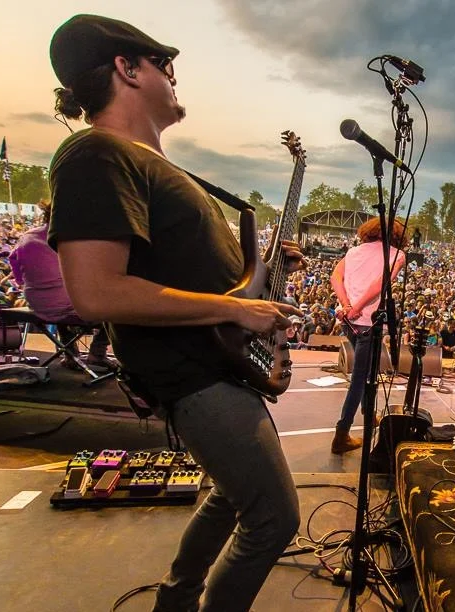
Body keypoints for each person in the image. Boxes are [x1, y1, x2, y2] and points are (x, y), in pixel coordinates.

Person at [46, 15, 304, 611]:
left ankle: (178, 597)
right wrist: (236, 313)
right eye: (165, 66)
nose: (173, 79)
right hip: (195, 371)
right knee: (272, 518)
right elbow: (97, 292)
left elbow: (195, 268)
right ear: (126, 69)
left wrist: (262, 271)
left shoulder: (148, 162)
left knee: (228, 494)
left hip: (214, 363)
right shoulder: (96, 153)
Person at [330, 217, 406, 454]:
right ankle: (341, 434)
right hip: (367, 323)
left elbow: (335, 277)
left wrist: (346, 305)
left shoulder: (353, 252)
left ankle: (369, 413)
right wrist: (359, 306)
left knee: (366, 373)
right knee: (360, 378)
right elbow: (381, 283)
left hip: (349, 321)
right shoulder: (397, 255)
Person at [8, 201, 114, 370]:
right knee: (117, 309)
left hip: (36, 302)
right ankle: (97, 353)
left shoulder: (27, 236)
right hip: (67, 303)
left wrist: (22, 282)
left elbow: (13, 260)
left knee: (59, 299)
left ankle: (70, 354)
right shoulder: (73, 239)